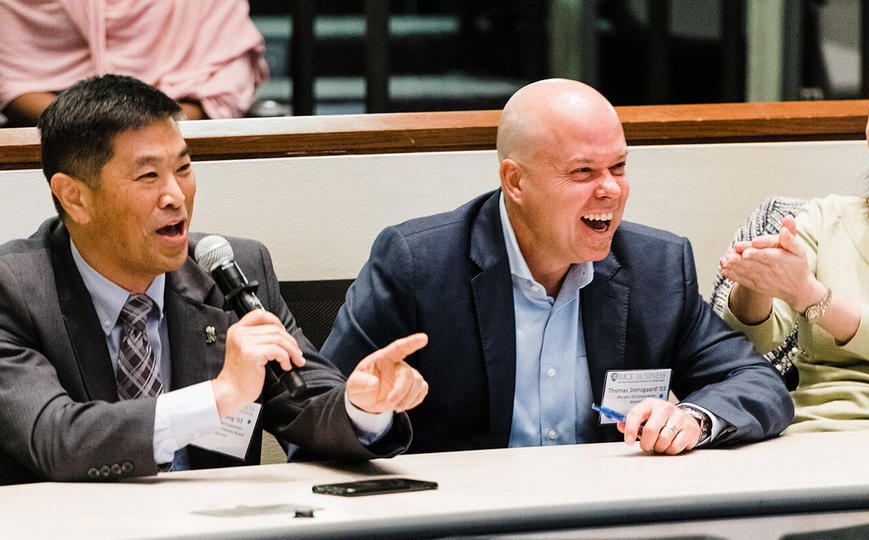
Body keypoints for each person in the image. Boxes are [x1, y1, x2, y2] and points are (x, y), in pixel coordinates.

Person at [319, 78, 793, 456]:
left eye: (619, 167)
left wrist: (692, 417)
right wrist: (366, 411)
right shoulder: (418, 265)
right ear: (516, 181)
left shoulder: (657, 267)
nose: (610, 190)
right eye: (583, 172)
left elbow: (757, 384)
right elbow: (316, 417)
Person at [0, 75, 429, 485]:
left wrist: (363, 406)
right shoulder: (16, 289)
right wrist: (220, 395)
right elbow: (56, 438)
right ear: (74, 196)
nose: (175, 195)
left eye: (183, 167)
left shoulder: (234, 271)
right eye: (148, 176)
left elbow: (308, 401)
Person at [720, 20, 869, 433]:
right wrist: (756, 280)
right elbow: (755, 344)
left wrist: (809, 295)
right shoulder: (826, 218)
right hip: (808, 439)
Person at [0, 0, 268, 126]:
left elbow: (229, 74)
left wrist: (159, 126)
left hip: (184, 131)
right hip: (56, 138)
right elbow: (10, 79)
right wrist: (87, 127)